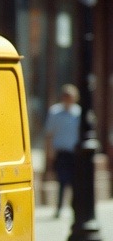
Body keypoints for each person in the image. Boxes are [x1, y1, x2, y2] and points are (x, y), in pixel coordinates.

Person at [45, 84, 81, 217]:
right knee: (61, 181)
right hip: (61, 152)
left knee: (74, 182)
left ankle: (74, 208)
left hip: (74, 153)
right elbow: (49, 134)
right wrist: (49, 153)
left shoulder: (79, 113)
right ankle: (59, 207)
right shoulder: (55, 112)